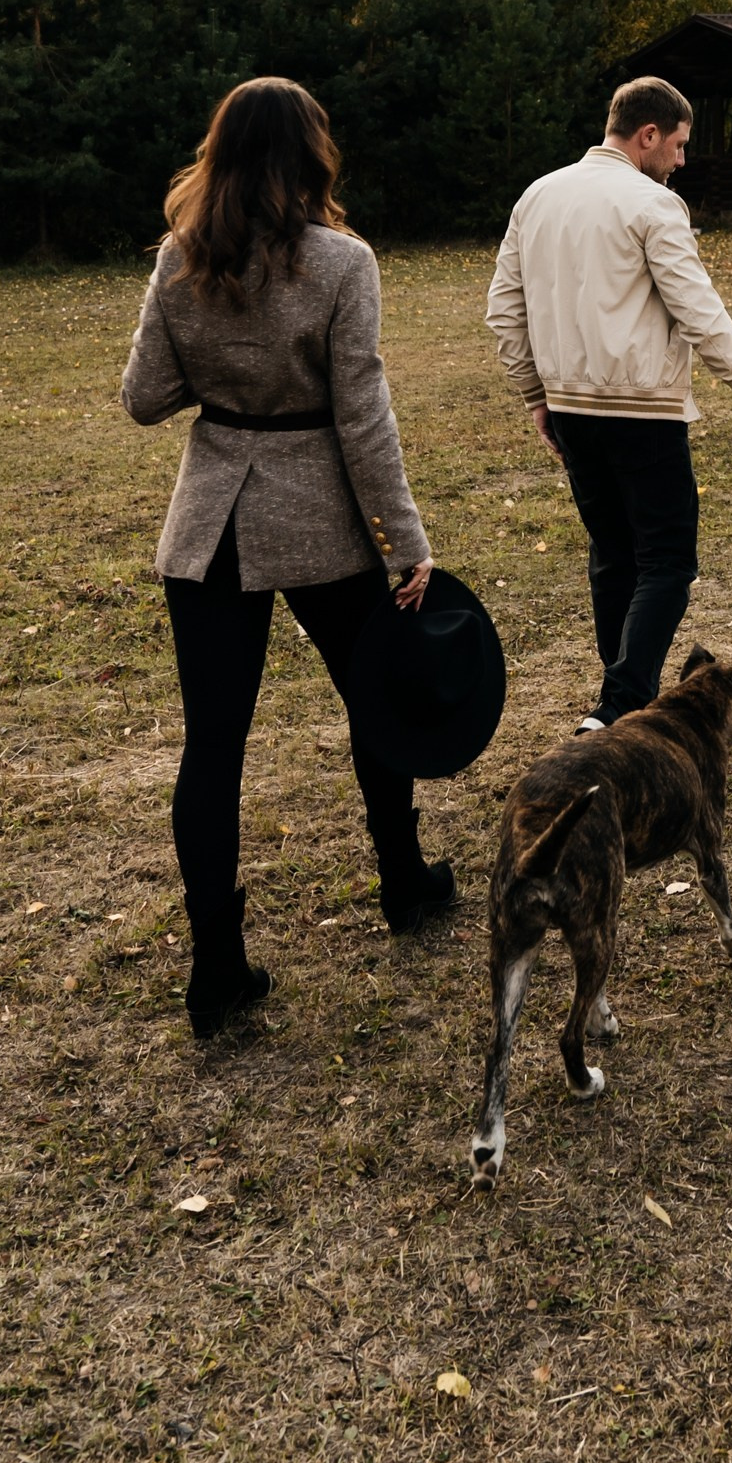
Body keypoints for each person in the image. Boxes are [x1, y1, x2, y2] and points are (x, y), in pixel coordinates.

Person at [121, 77, 452, 1040]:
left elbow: (144, 396)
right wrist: (406, 543)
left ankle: (215, 970)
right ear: (311, 155)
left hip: (211, 525)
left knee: (212, 750)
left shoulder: (181, 261)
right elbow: (364, 417)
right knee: (376, 705)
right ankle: (403, 882)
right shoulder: (343, 263)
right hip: (323, 523)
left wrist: (225, 374)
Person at [486, 76, 732, 729]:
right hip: (641, 412)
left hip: (570, 410)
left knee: (614, 554)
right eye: (677, 145)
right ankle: (620, 706)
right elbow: (697, 307)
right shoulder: (653, 205)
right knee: (668, 561)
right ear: (648, 135)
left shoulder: (538, 196)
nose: (680, 160)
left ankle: (626, 696)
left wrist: (536, 395)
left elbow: (503, 310)